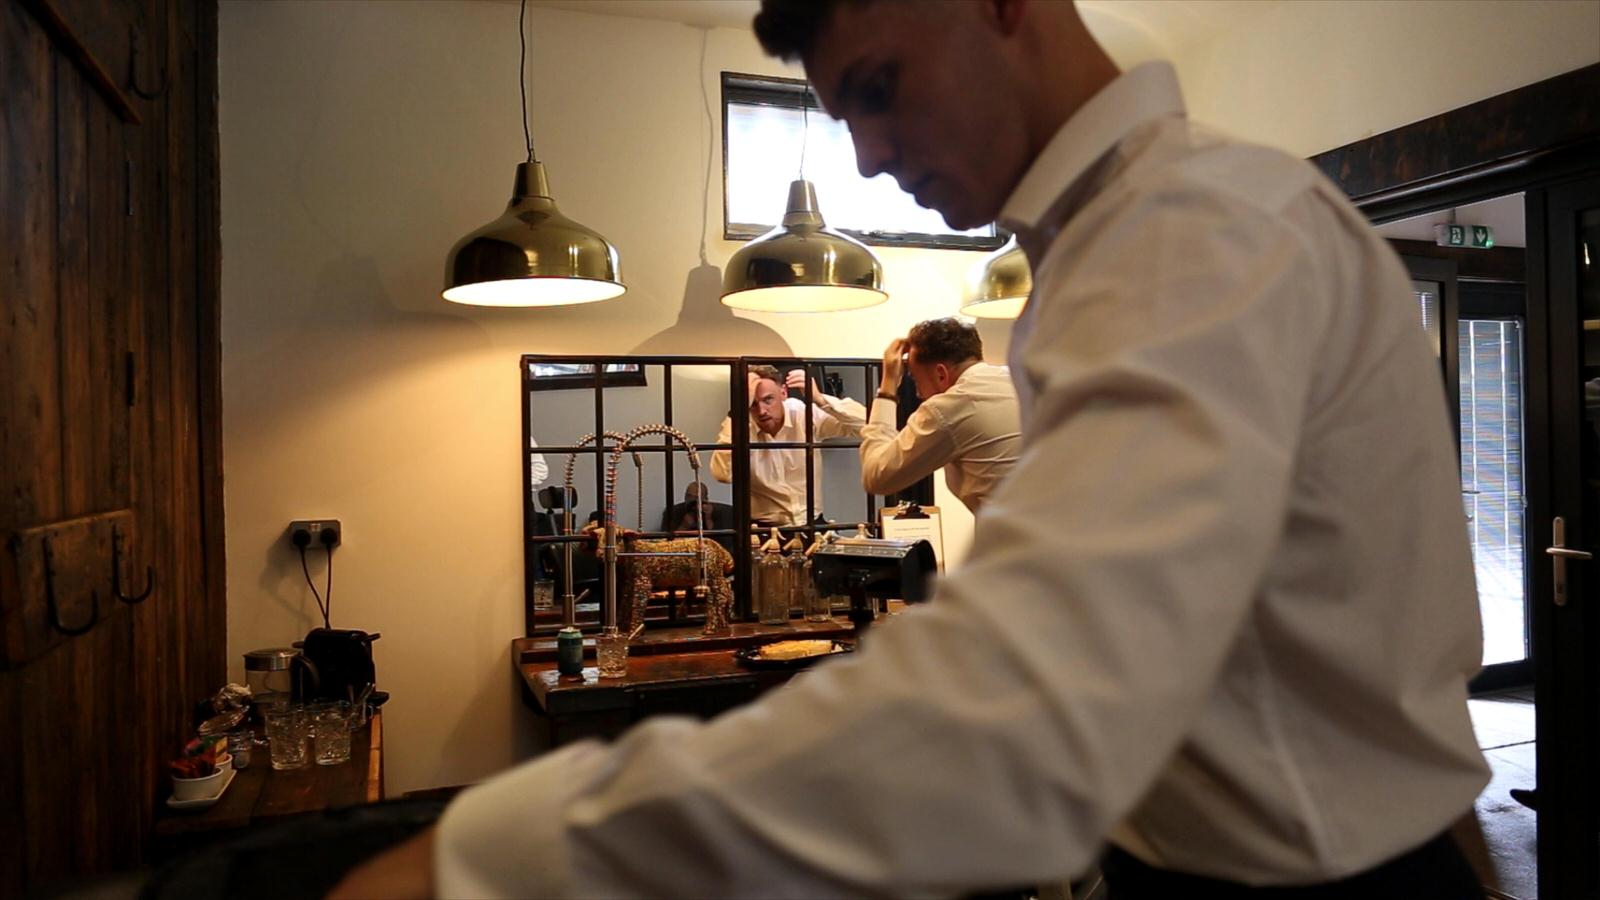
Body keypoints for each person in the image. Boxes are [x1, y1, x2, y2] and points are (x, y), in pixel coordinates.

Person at [333, 2, 1488, 897]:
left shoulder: (1192, 234)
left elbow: (1028, 705)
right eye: (847, 118)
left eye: (881, 90)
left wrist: (498, 860)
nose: (873, 157)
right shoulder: (1117, 250)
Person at [860, 318, 1022, 513]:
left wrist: (888, 385)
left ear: (941, 374)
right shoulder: (1019, 381)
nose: (919, 394)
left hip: (1014, 539)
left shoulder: (950, 406)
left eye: (916, 380)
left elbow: (876, 477)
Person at [709, 363, 866, 526]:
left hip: (812, 524)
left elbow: (868, 425)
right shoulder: (740, 426)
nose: (762, 411)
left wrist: (819, 398)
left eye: (768, 399)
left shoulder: (804, 414)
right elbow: (722, 474)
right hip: (762, 530)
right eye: (753, 403)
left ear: (783, 392)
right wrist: (737, 413)